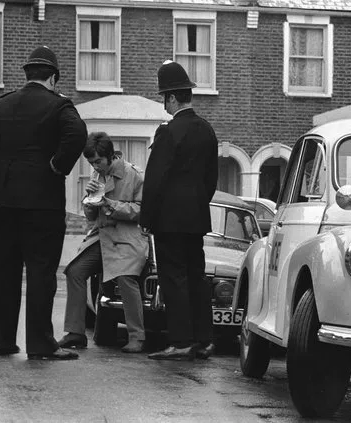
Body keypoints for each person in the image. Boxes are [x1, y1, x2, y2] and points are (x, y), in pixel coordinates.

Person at [0, 46, 87, 360]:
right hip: (41, 202)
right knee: (41, 271)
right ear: (54, 77)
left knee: (3, 270)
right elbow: (78, 134)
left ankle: (2, 341)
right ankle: (41, 344)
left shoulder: (0, 104)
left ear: (27, 74)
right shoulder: (59, 106)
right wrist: (57, 166)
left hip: (1, 200)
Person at [140, 61, 218, 361]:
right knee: (197, 278)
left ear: (172, 98)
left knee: (173, 279)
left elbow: (156, 179)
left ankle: (181, 341)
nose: (165, 105)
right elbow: (211, 180)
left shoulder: (169, 132)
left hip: (169, 220)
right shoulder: (207, 130)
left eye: (165, 99)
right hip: (196, 218)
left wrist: (146, 218)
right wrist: (197, 204)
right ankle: (204, 340)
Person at [58, 132, 148, 353]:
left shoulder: (134, 175)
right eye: (91, 162)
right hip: (102, 237)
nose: (95, 166)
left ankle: (137, 337)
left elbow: (142, 211)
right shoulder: (97, 176)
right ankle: (76, 333)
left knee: (126, 278)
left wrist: (110, 204)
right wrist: (88, 202)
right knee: (74, 271)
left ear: (110, 156)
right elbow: (90, 217)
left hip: (127, 238)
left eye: (98, 161)